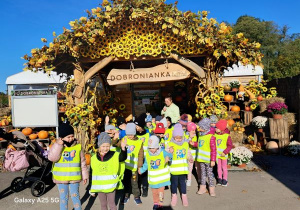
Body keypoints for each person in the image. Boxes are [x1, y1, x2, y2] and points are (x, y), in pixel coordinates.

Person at [49, 123, 89, 210]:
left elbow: (82, 162)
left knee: (75, 197)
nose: (70, 139)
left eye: (72, 136)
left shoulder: (78, 147)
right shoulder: (57, 146)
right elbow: (52, 158)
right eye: (68, 137)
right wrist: (58, 145)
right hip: (61, 178)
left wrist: (85, 175)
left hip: (74, 177)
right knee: (64, 199)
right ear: (61, 137)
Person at [90, 132, 127, 210]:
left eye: (107, 146)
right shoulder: (93, 158)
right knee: (103, 205)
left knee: (112, 205)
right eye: (103, 146)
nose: (105, 148)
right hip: (100, 187)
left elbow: (122, 158)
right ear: (99, 146)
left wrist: (123, 149)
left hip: (111, 186)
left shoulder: (114, 155)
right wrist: (92, 188)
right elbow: (93, 174)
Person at [138, 135, 172, 210]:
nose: (151, 150)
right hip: (153, 178)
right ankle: (155, 203)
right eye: (150, 148)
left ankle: (160, 203)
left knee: (161, 192)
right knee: (154, 192)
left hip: (162, 178)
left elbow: (170, 156)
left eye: (153, 148)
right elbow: (146, 164)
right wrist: (142, 170)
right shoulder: (147, 154)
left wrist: (168, 157)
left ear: (157, 146)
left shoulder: (162, 152)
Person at [190, 118, 216, 197]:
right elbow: (200, 145)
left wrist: (213, 160)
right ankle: (202, 187)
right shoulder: (201, 136)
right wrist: (194, 144)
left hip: (208, 160)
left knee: (210, 174)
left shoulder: (211, 137)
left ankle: (211, 188)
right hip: (201, 159)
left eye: (200, 127)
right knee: (202, 174)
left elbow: (213, 149)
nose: (199, 129)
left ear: (205, 128)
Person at [168, 123, 192, 207]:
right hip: (174, 169)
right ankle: (174, 195)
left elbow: (188, 152)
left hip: (183, 169)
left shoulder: (185, 144)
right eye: (176, 138)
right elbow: (167, 154)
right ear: (173, 137)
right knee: (174, 184)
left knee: (183, 183)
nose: (178, 139)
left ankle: (184, 195)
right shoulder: (171, 144)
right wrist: (169, 151)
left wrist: (190, 158)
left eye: (180, 138)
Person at [121, 123, 144, 205]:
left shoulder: (139, 142)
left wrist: (139, 166)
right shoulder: (124, 139)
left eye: (131, 134)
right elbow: (117, 145)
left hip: (134, 167)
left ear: (134, 133)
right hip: (125, 166)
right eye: (128, 134)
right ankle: (126, 195)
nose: (129, 136)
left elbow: (141, 155)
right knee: (126, 181)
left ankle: (136, 196)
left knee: (135, 182)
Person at [134, 113, 150, 197]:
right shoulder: (134, 135)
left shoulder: (147, 134)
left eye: (137, 126)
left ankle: (145, 188)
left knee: (144, 174)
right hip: (137, 157)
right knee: (137, 174)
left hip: (145, 158)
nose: (136, 128)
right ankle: (137, 188)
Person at [215, 120, 233, 187]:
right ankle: (219, 179)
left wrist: (225, 152)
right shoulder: (215, 135)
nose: (215, 129)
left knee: (224, 167)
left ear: (221, 129)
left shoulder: (227, 136)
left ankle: (225, 180)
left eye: (217, 128)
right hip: (217, 155)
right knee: (218, 167)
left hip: (223, 155)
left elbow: (230, 145)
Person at [186, 122, 197, 187]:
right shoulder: (186, 135)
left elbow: (196, 143)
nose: (193, 131)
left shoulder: (196, 135)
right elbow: (186, 142)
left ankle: (199, 179)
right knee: (189, 168)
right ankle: (189, 180)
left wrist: (194, 142)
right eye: (192, 130)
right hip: (190, 153)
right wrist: (190, 137)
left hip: (195, 152)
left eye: (194, 130)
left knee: (197, 167)